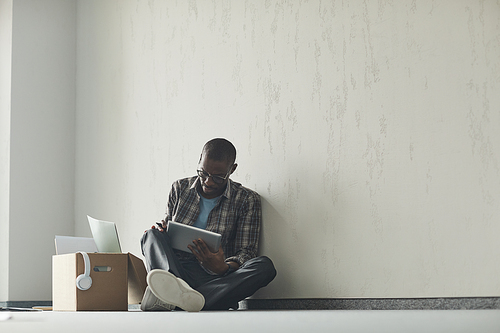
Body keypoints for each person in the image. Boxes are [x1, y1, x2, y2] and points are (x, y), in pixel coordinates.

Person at [140, 138, 276, 311]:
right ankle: (192, 297)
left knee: (264, 267)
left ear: (232, 169)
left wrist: (223, 267)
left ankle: (177, 299)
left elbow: (247, 252)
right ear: (199, 161)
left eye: (218, 177)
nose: (208, 182)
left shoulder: (246, 200)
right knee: (150, 236)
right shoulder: (179, 188)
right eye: (203, 173)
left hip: (215, 278)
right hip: (176, 270)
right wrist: (163, 230)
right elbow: (166, 228)